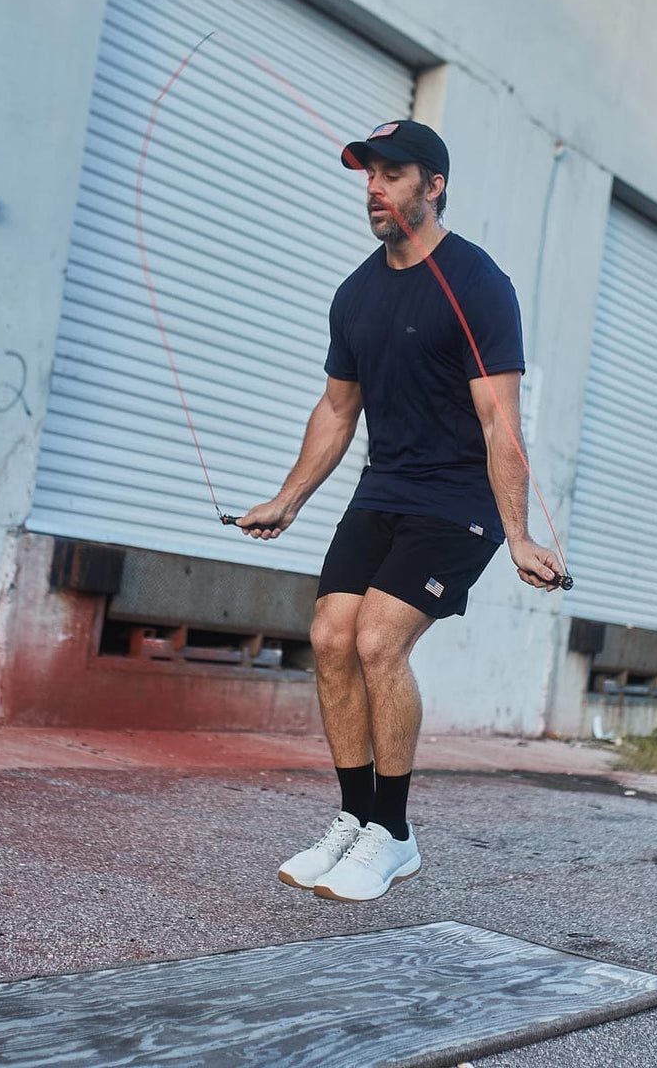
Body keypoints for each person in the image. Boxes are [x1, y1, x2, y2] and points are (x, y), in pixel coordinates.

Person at [236, 120, 562, 902]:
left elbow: (500, 420)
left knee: (380, 641)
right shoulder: (355, 294)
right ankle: (354, 819)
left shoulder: (478, 282)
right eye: (367, 173)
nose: (374, 186)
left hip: (460, 502)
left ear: (434, 184)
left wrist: (517, 532)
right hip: (384, 491)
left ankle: (395, 833)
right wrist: (289, 497)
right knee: (329, 637)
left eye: (392, 172)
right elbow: (337, 411)